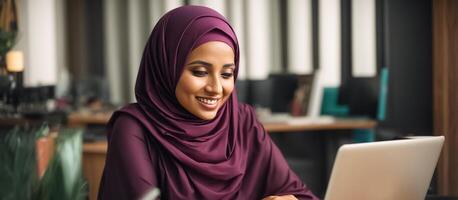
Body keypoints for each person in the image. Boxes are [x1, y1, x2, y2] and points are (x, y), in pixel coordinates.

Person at [98, 5, 318, 200]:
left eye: (226, 74)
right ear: (166, 68)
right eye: (200, 72)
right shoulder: (134, 128)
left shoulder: (241, 122)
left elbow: (300, 194)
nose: (216, 88)